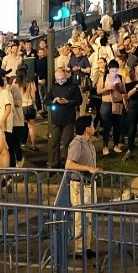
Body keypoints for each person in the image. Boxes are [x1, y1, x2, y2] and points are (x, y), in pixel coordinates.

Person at [64, 116, 99, 259]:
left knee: (89, 217)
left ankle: (87, 247)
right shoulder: (77, 143)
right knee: (79, 217)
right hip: (79, 185)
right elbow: (69, 165)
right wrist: (88, 169)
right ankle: (79, 249)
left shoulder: (89, 143)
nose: (94, 127)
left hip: (90, 184)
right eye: (92, 125)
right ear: (86, 128)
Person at [47, 65, 82, 169]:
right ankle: (54, 164)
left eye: (62, 79)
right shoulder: (54, 86)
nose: (60, 81)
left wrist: (68, 102)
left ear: (66, 76)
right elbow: (47, 99)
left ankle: (66, 163)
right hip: (56, 119)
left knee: (66, 143)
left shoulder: (73, 86)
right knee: (54, 142)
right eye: (58, 79)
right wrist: (53, 101)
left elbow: (79, 100)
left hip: (68, 119)